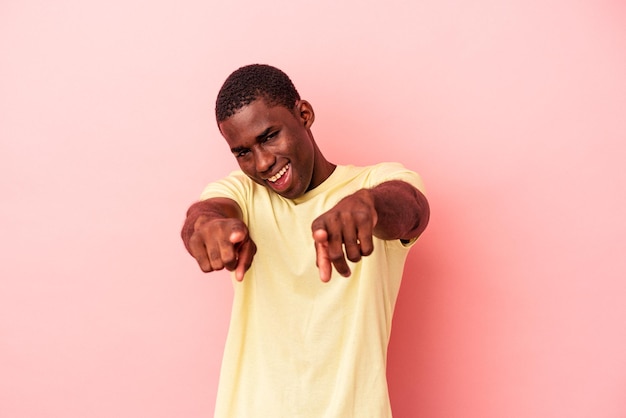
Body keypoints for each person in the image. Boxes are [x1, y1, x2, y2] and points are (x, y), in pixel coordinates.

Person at [181, 64, 430, 417]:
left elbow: (413, 209)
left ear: (304, 114)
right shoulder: (243, 192)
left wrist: (368, 206)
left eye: (269, 136)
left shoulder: (376, 181)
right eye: (243, 152)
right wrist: (206, 226)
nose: (263, 162)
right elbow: (205, 214)